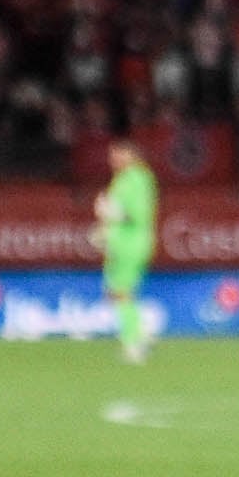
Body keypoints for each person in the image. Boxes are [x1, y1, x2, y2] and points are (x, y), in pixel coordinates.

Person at [92, 138, 157, 364]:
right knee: (113, 292)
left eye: (118, 154)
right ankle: (142, 332)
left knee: (122, 293)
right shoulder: (121, 180)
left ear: (132, 154)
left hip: (132, 243)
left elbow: (136, 215)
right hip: (119, 243)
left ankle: (133, 344)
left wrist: (111, 214)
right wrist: (103, 230)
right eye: (112, 155)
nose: (113, 159)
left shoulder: (138, 178)